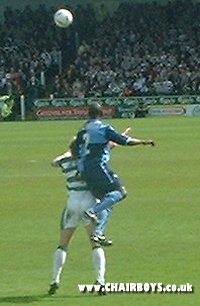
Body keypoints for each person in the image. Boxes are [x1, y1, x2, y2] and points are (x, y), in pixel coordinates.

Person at [75, 102, 155, 226]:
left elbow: (77, 149)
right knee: (121, 192)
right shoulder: (104, 128)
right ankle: (92, 211)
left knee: (106, 202)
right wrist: (143, 142)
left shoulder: (83, 130)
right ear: (101, 114)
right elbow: (125, 141)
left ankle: (98, 234)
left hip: (84, 169)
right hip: (98, 167)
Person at [48, 139, 108, 296]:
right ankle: (100, 280)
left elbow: (54, 162)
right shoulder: (90, 161)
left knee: (63, 245)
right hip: (90, 203)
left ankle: (55, 280)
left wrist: (67, 152)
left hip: (72, 204)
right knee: (95, 244)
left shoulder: (66, 161)